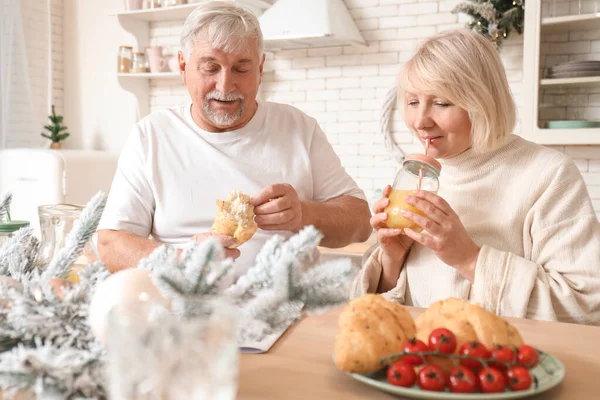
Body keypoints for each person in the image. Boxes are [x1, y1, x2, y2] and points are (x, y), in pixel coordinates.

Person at [97, 1, 372, 275]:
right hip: (182, 311)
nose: (226, 85)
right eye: (210, 67)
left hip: (288, 310)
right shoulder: (151, 136)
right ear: (183, 67)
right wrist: (182, 259)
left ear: (260, 68)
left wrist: (304, 214)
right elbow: (111, 244)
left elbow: (360, 222)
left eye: (241, 69)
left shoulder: (298, 128)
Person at [352, 29, 600, 325]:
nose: (420, 122)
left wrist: (468, 258)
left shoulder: (549, 175)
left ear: (482, 102)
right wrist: (392, 259)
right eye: (413, 101)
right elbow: (378, 315)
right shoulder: (417, 178)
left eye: (441, 103)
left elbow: (584, 307)